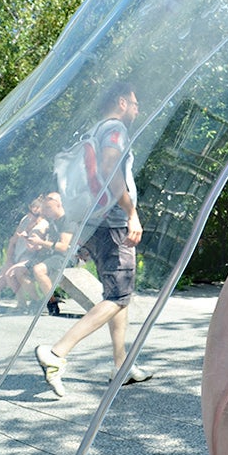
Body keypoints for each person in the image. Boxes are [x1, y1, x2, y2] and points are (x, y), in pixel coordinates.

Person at [35, 81, 151, 397]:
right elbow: (111, 170)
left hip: (95, 222)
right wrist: (132, 213)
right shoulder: (114, 129)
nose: (138, 110)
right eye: (135, 103)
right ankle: (56, 353)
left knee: (119, 294)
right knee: (118, 297)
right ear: (122, 102)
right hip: (114, 222)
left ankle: (120, 366)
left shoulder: (94, 130)